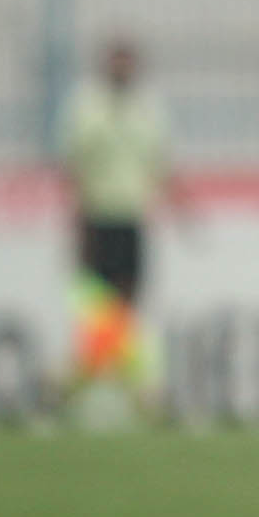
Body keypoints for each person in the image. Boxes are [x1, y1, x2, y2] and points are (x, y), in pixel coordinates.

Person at [55, 35, 169, 419]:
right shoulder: (86, 106)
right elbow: (72, 166)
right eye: (117, 61)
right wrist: (76, 224)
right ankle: (140, 393)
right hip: (95, 219)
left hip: (132, 219)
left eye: (128, 61)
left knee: (124, 312)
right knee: (100, 312)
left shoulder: (147, 109)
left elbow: (159, 166)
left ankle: (67, 386)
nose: (123, 68)